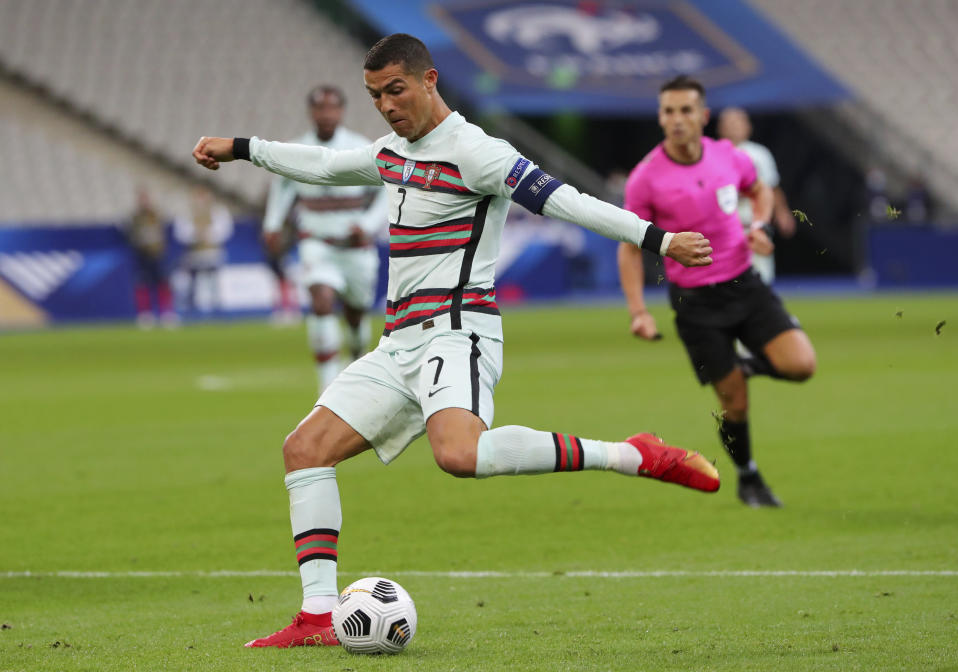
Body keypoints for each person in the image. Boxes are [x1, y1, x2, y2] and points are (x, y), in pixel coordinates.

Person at [193, 34, 716, 650]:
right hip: (399, 345)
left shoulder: (478, 153)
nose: (387, 106)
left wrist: (658, 239)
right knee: (304, 450)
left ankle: (631, 453)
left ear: (429, 80)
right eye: (375, 95)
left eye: (396, 90)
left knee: (458, 456)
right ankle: (317, 618)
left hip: (459, 332)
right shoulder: (392, 153)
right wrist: (243, 149)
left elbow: (567, 201)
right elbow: (327, 167)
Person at [618, 75, 817, 509]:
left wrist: (760, 226)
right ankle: (748, 477)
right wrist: (638, 310)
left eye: (686, 110)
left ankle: (742, 366)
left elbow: (759, 190)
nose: (677, 120)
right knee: (734, 404)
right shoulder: (646, 178)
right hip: (695, 303)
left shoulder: (728, 157)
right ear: (660, 117)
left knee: (802, 364)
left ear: (703, 116)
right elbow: (630, 248)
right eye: (668, 111)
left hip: (746, 285)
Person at [263, 85, 388, 390]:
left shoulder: (361, 148)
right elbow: (282, 189)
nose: (326, 114)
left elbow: (387, 189)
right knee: (321, 301)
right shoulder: (296, 150)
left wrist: (369, 224)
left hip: (356, 247)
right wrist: (273, 224)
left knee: (356, 316)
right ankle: (327, 389)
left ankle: (356, 358)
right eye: (320, 108)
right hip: (316, 242)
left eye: (332, 108)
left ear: (342, 112)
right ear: (311, 112)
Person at [716, 107, 797, 284]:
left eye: (738, 122)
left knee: (761, 280)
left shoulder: (759, 154)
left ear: (748, 126)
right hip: (724, 230)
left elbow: (772, 186)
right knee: (727, 282)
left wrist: (782, 212)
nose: (735, 127)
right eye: (729, 123)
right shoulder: (712, 155)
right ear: (720, 128)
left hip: (755, 226)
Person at [173, 186, 234, 315]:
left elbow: (225, 230)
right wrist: (195, 235)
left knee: (213, 280)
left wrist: (208, 234)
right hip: (194, 253)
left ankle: (216, 309)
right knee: (193, 282)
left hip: (212, 252)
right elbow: (181, 232)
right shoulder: (187, 213)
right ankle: (192, 310)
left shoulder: (217, 211)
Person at [124, 187, 177, 328]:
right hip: (142, 254)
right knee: (142, 283)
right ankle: (145, 315)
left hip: (157, 254)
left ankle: (166, 313)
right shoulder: (134, 217)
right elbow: (130, 235)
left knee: (163, 282)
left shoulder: (156, 215)